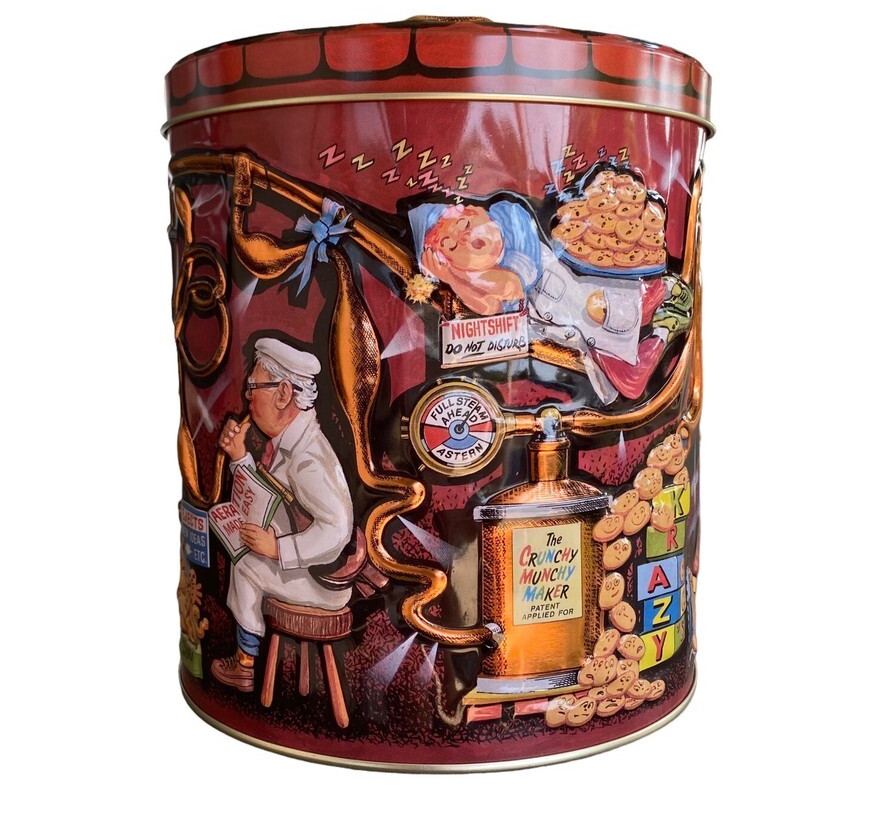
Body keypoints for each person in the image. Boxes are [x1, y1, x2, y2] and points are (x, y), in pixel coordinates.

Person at [408, 200, 691, 403]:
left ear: (479, 212)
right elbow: (489, 308)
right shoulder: (472, 277)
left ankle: (666, 291)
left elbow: (512, 286)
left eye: (465, 224)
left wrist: (453, 274)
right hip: (563, 329)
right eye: (452, 246)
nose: (465, 237)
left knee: (626, 313)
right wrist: (454, 277)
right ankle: (665, 328)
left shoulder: (510, 219)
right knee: (629, 380)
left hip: (578, 300)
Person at [209, 337, 354, 693]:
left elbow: (338, 529)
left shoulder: (307, 459)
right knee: (248, 557)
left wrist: (278, 549)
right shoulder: (290, 442)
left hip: (323, 582)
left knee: (246, 565)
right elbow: (268, 497)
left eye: (254, 387)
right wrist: (239, 457)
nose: (247, 397)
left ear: (284, 393)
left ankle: (245, 663)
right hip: (308, 570)